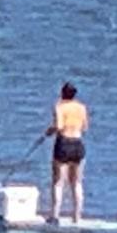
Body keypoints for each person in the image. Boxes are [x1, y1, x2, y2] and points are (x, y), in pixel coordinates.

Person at [45, 81, 89, 224]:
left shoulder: (59, 107)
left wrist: (49, 131)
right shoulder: (82, 108)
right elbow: (85, 127)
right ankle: (77, 217)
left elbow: (59, 126)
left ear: (63, 93)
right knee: (77, 182)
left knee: (58, 182)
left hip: (64, 143)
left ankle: (55, 216)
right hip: (78, 143)